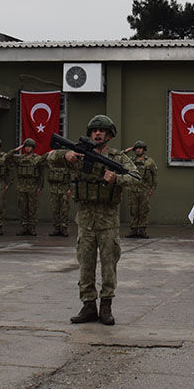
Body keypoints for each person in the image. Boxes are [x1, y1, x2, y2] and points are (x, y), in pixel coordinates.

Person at [60, 115, 139, 326]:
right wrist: (66, 155)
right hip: (85, 221)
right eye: (94, 130)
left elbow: (136, 178)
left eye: (101, 131)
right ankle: (88, 306)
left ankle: (106, 307)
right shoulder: (79, 153)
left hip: (107, 222)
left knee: (108, 266)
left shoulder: (117, 157)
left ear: (109, 135)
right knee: (85, 265)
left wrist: (117, 179)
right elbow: (50, 158)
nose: (97, 133)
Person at [8, 138, 44, 236]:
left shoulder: (37, 159)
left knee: (32, 208)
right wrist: (16, 150)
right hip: (22, 187)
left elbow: (41, 174)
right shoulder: (20, 158)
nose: (27, 148)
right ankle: (24, 227)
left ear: (33, 148)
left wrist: (40, 187)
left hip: (33, 186)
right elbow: (7, 158)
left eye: (29, 146)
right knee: (23, 207)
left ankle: (31, 227)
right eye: (26, 146)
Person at [125, 140, 157, 238]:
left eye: (140, 148)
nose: (138, 150)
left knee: (143, 210)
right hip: (133, 189)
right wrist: (127, 150)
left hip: (144, 190)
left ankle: (142, 230)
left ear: (144, 149)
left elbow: (154, 176)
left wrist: (152, 189)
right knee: (133, 210)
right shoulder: (131, 161)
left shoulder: (149, 162)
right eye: (136, 148)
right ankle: (134, 230)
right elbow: (120, 158)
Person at [44, 148, 72, 237]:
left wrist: (70, 188)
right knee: (55, 209)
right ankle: (56, 228)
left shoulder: (68, 163)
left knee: (64, 209)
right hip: (54, 189)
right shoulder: (51, 163)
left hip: (64, 189)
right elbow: (39, 161)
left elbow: (73, 175)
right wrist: (49, 153)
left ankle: (64, 228)